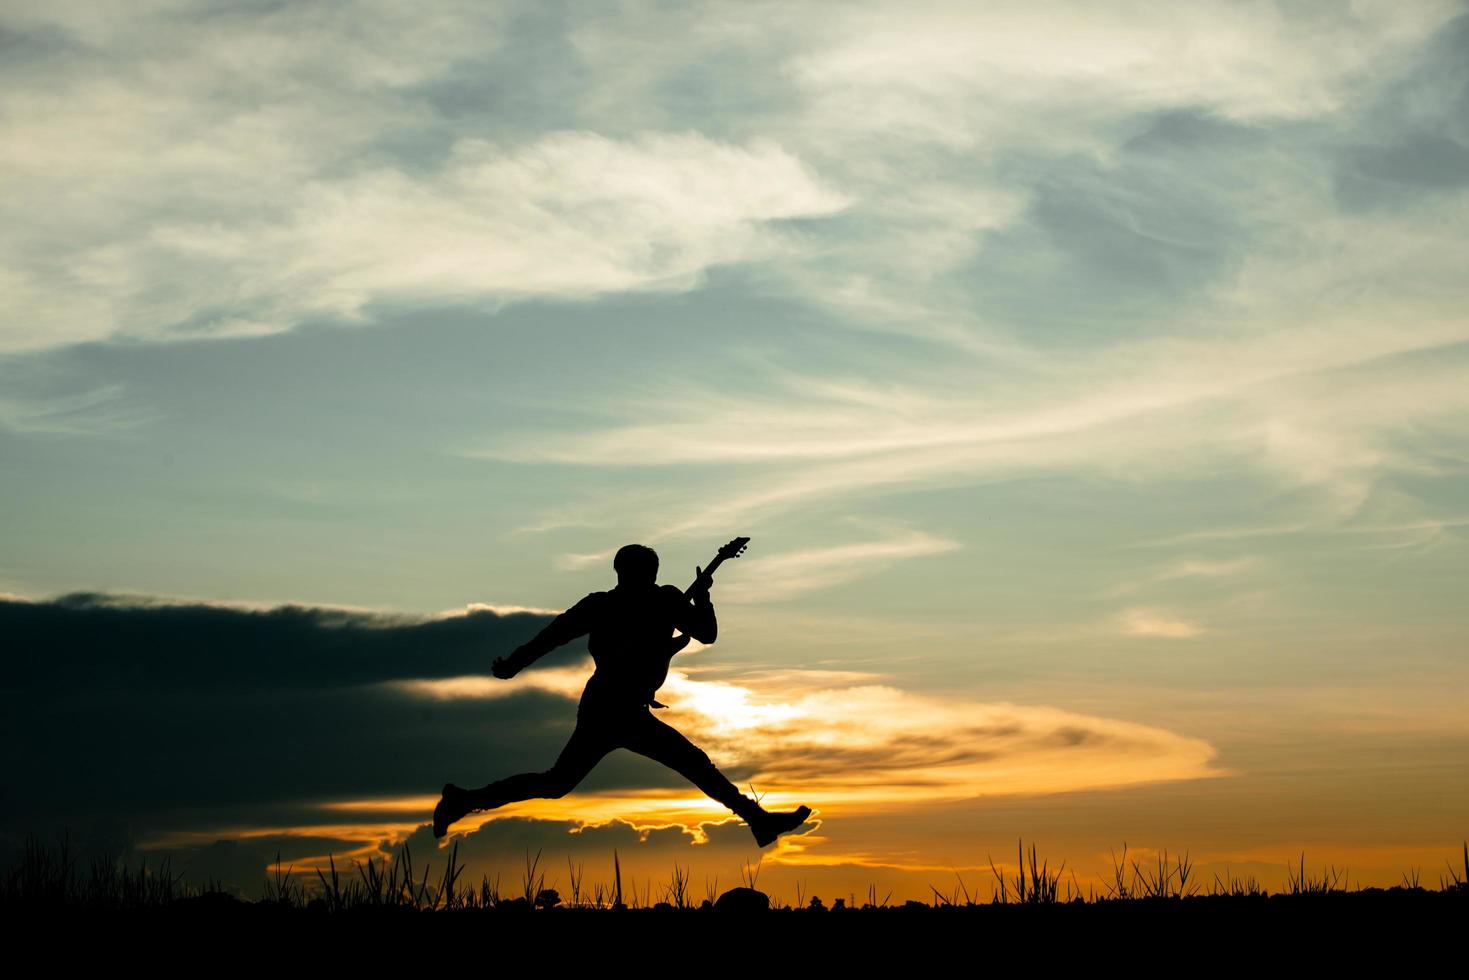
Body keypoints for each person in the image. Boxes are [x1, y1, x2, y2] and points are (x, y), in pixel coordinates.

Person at [432, 543, 812, 848]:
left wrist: (514, 664)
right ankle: (759, 822)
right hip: (612, 708)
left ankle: (463, 800)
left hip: (614, 706)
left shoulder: (634, 602)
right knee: (691, 765)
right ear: (639, 572)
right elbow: (556, 634)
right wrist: (701, 600)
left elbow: (552, 636)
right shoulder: (648, 601)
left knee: (558, 783)